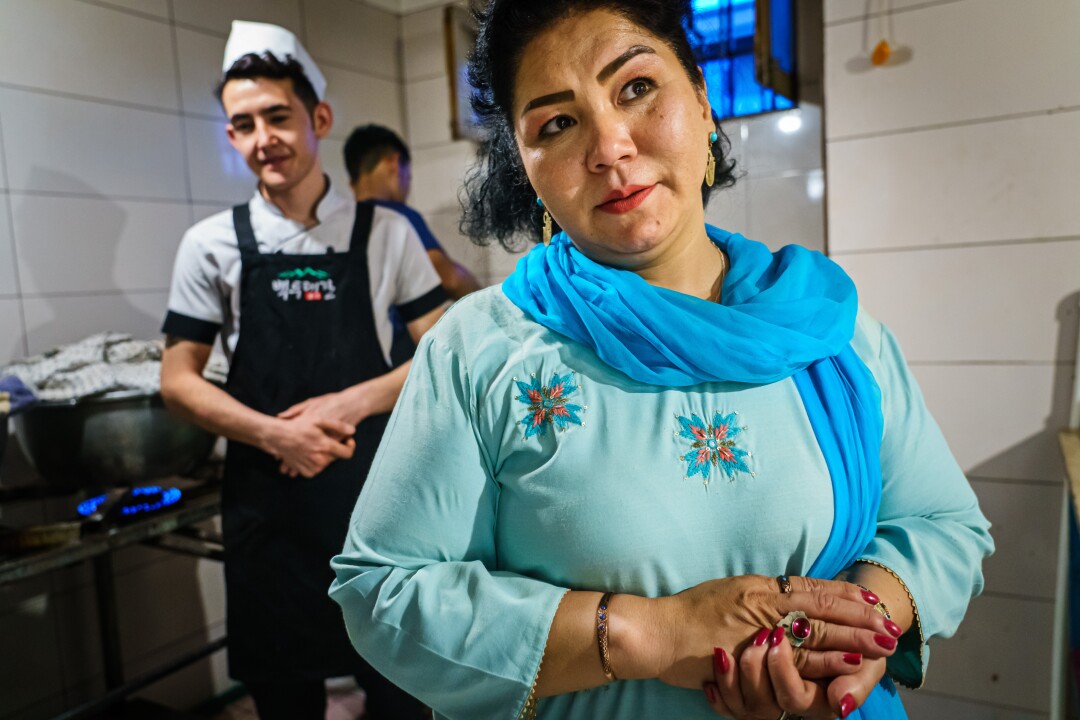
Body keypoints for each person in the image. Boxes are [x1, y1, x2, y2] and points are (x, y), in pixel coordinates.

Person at [328, 2, 994, 719]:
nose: (610, 147)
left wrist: (853, 636)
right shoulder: (482, 349)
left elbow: (943, 523)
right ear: (527, 167)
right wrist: (653, 634)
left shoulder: (832, 326)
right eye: (557, 123)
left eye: (637, 88)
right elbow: (384, 589)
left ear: (703, 103)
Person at [159, 20, 445, 720]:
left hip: (376, 504)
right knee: (283, 699)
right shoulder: (210, 245)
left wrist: (349, 402)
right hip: (268, 511)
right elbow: (177, 378)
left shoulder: (386, 232)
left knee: (401, 690)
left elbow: (445, 352)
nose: (263, 140)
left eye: (278, 117)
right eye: (244, 125)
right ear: (231, 136)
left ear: (319, 118)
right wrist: (275, 434)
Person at [344, 124, 480, 365]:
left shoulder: (341, 221)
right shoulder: (395, 216)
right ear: (395, 164)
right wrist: (485, 302)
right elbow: (447, 277)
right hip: (399, 358)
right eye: (409, 175)